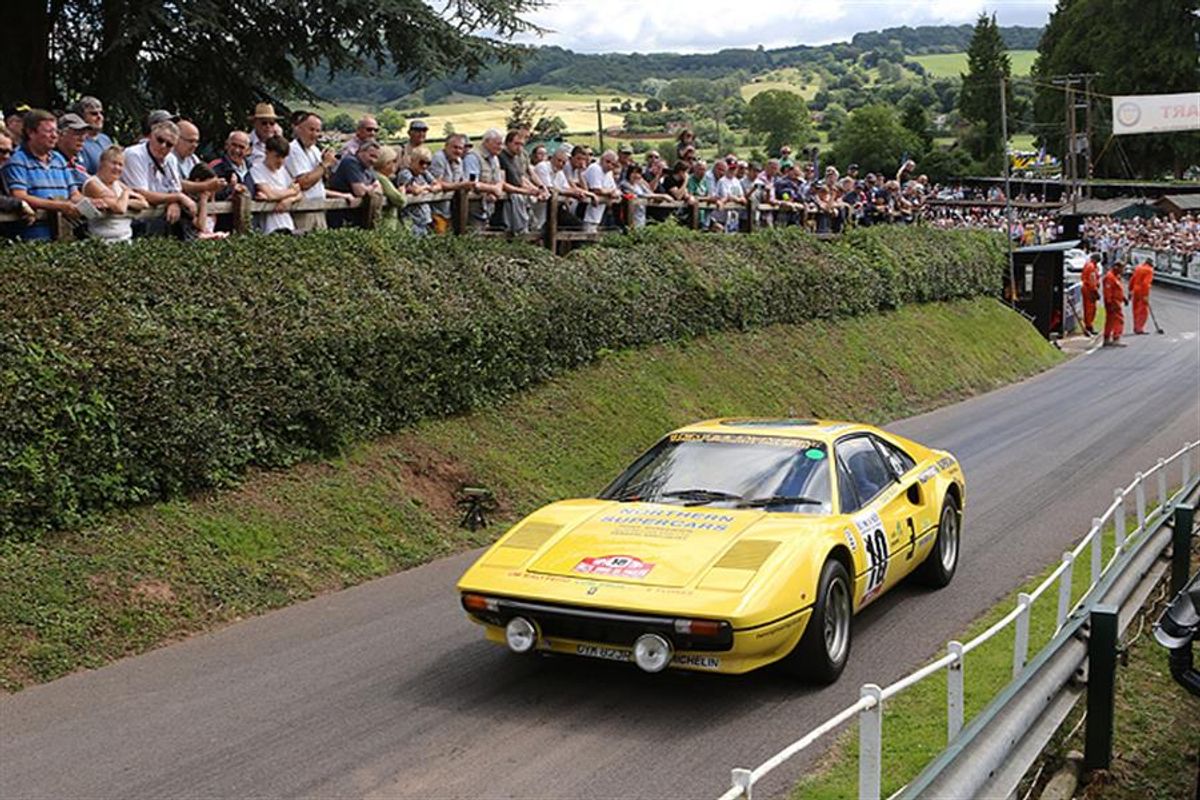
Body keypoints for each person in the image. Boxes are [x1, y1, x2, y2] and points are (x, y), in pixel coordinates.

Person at [2, 109, 85, 240]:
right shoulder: (17, 160)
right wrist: (59, 206)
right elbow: (19, 196)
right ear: (31, 133)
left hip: (63, 236)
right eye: (48, 131)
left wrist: (91, 203)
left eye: (56, 131)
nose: (54, 136)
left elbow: (74, 194)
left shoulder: (59, 159)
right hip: (31, 239)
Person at [81, 145, 148, 242]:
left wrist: (125, 202)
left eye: (120, 165)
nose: (117, 168)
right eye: (113, 163)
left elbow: (144, 203)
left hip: (125, 239)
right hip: (102, 241)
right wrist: (126, 193)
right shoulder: (93, 184)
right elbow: (119, 208)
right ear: (102, 163)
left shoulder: (117, 184)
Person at [249, 135, 301, 234]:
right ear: (267, 152)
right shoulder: (257, 170)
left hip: (288, 224)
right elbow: (270, 194)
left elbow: (300, 193)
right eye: (277, 156)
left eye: (283, 157)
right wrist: (292, 191)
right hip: (269, 228)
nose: (280, 161)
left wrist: (290, 200)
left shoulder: (283, 171)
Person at [1102, 261, 1127, 347]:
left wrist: (1123, 298)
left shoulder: (1116, 277)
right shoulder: (1110, 277)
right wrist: (1110, 303)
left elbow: (1118, 289)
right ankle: (1116, 338)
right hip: (1113, 303)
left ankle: (1107, 338)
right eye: (1122, 268)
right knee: (1119, 320)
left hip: (1116, 301)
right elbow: (1108, 291)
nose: (1123, 270)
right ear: (1116, 267)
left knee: (1110, 320)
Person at [1128, 258, 1154, 334]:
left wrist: (1130, 290)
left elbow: (1132, 279)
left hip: (1135, 290)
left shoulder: (1138, 268)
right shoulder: (1149, 270)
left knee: (1135, 309)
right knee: (1143, 310)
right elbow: (1146, 283)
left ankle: (1135, 326)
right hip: (1142, 291)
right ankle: (1139, 328)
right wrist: (1145, 295)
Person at [1080, 253, 1101, 337]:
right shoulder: (1091, 267)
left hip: (1088, 288)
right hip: (1089, 289)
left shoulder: (1090, 265)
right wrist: (1095, 292)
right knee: (1090, 308)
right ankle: (1089, 326)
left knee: (1090, 308)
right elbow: (1092, 281)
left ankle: (1089, 325)